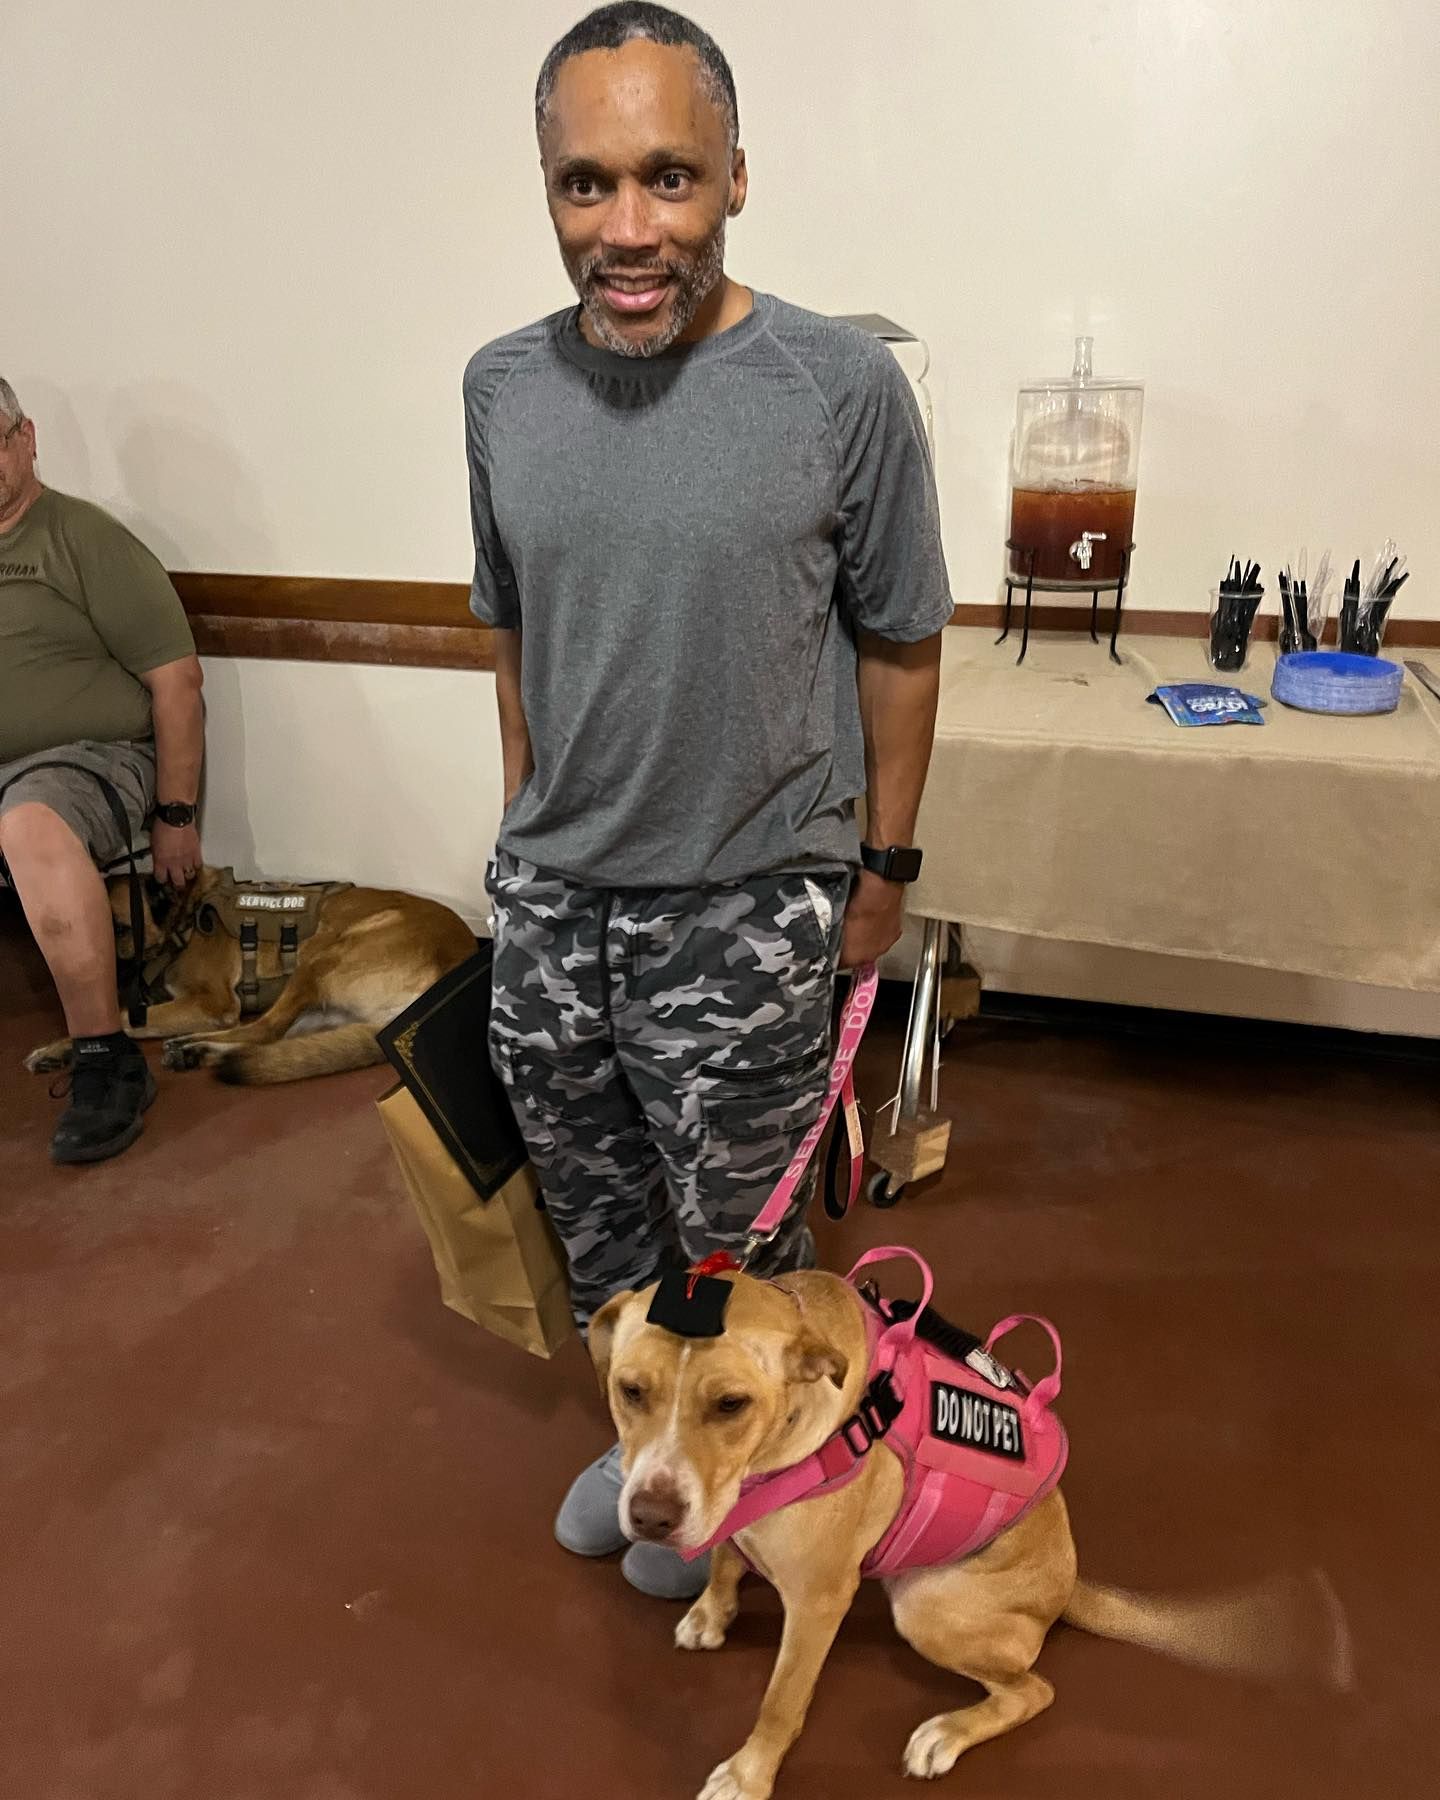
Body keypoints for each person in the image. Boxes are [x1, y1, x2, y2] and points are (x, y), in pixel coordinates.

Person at [464, 4, 951, 1599]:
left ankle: (761, 1495)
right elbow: (516, 632)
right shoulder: (499, 389)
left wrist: (882, 865)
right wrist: (529, 835)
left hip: (747, 905)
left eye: (668, 179)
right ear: (544, 185)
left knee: (740, 1264)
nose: (627, 229)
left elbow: (900, 644)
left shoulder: (839, 387)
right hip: (555, 911)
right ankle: (644, 1460)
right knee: (608, 1246)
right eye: (585, 184)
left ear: (737, 176)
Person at [0, 377, 204, 1164]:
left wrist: (176, 816)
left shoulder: (81, 537)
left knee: (30, 822)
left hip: (86, 761)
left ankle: (103, 1055)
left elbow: (177, 682)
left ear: (26, 438)